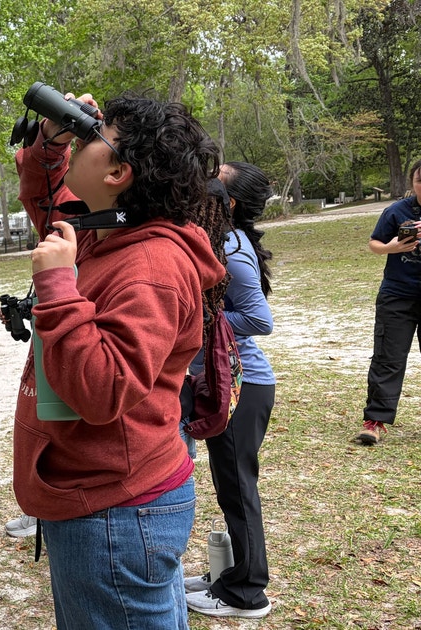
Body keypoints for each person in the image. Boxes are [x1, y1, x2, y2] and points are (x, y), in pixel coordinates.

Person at [12, 91, 226, 629]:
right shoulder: (104, 229)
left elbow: (103, 389)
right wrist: (51, 143)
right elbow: (45, 197)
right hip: (104, 496)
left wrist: (57, 288)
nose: (82, 137)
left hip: (116, 509)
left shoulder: (151, 266)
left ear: (117, 174)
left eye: (94, 133)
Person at [183, 163, 276, 619]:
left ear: (228, 202)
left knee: (238, 491)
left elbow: (260, 320)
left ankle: (247, 592)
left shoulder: (232, 250)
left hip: (242, 385)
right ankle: (231, 572)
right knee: (229, 487)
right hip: (227, 382)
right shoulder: (220, 242)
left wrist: (201, 320)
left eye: (215, 176)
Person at [356, 159, 421, 446]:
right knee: (388, 358)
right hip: (397, 295)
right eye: (420, 180)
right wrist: (392, 247)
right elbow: (374, 243)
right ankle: (375, 421)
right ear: (412, 183)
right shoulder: (396, 211)